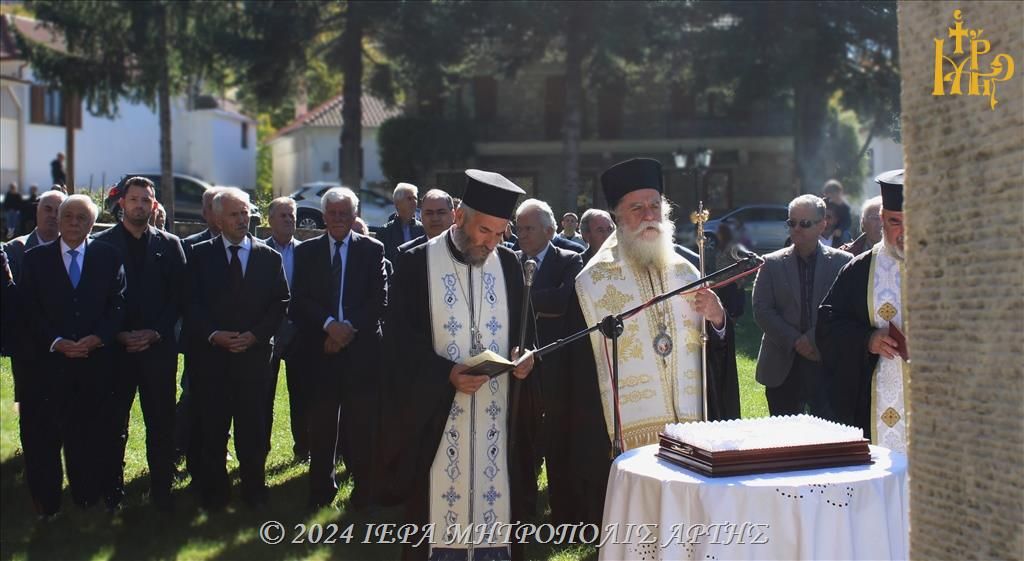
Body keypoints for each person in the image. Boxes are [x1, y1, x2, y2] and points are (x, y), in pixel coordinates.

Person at [563, 158, 740, 525]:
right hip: (626, 440)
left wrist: (718, 319)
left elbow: (715, 349)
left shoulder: (687, 271)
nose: (649, 216)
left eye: (655, 206)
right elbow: (576, 375)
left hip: (690, 431)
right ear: (617, 216)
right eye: (637, 208)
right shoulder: (590, 284)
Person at [379, 169, 540, 560]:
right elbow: (397, 343)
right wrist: (445, 374)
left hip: (497, 424)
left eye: (502, 233)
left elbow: (527, 335)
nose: (493, 242)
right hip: (435, 421)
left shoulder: (509, 265)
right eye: (485, 230)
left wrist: (526, 359)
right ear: (458, 217)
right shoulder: (416, 263)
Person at [18, 194, 125, 517]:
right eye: (68, 217)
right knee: (45, 438)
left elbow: (117, 303)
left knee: (88, 434)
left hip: (95, 364)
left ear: (92, 224)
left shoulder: (108, 256)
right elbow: (28, 309)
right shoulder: (35, 259)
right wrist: (56, 341)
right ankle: (47, 504)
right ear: (59, 221)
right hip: (49, 365)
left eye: (82, 218)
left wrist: (98, 338)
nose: (74, 223)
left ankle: (86, 496)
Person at [185, 188, 289, 510]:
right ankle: (215, 495)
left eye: (246, 213)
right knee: (213, 429)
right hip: (212, 360)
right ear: (217, 218)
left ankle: (254, 492)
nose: (242, 219)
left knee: (252, 430)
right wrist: (214, 334)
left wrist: (256, 336)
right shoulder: (199, 255)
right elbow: (190, 305)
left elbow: (280, 303)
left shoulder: (268, 257)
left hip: (253, 360)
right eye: (234, 214)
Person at [290, 187, 387, 510]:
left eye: (344, 213)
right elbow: (300, 300)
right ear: (324, 215)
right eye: (332, 213)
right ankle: (321, 490)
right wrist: (329, 325)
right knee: (321, 426)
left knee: (362, 427)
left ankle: (364, 490)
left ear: (354, 215)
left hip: (362, 352)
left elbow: (378, 300)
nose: (338, 219)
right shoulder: (306, 253)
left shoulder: (373, 250)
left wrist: (347, 329)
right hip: (321, 352)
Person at [93, 176, 186, 511]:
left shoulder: (170, 244)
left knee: (160, 424)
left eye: (147, 200)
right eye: (134, 199)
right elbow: (96, 300)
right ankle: (112, 492)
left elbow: (179, 297)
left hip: (157, 350)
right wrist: (117, 333)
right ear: (122, 203)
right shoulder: (101, 245)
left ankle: (161, 491)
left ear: (154, 205)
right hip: (116, 351)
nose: (140, 206)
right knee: (113, 423)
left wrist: (156, 332)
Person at [818, 169, 909, 453]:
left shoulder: (953, 269)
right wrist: (867, 339)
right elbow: (827, 326)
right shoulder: (860, 271)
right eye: (895, 222)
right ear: (881, 220)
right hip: (875, 404)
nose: (905, 232)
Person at [514, 198, 583, 525]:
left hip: (557, 364)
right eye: (518, 227)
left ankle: (563, 513)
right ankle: (522, 510)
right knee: (522, 438)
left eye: (528, 228)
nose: (521, 234)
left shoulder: (570, 260)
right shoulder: (509, 261)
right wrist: (540, 305)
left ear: (550, 230)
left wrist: (525, 303)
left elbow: (564, 301)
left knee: (557, 439)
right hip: (517, 364)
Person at [752, 195, 852, 417]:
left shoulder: (842, 263)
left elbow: (844, 310)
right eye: (791, 222)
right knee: (786, 443)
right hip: (782, 365)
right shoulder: (770, 263)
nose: (796, 228)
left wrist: (813, 338)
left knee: (828, 438)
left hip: (825, 362)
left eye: (804, 223)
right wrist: (796, 341)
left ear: (822, 224)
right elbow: (762, 309)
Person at [175, 186, 225, 480]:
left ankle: (219, 447)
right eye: (211, 207)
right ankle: (183, 446)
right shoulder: (190, 247)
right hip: (200, 340)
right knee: (192, 395)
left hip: (235, 341)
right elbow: (186, 297)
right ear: (205, 213)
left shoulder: (248, 245)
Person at [261, 197, 307, 461]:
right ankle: (261, 447)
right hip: (268, 331)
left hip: (300, 333)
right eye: (283, 216)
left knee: (300, 394)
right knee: (263, 394)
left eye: (292, 216)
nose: (289, 220)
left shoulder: (306, 252)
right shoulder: (260, 251)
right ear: (270, 220)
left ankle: (303, 448)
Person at [378, 182, 424, 262]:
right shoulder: (385, 232)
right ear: (397, 203)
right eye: (409, 198)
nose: (414, 202)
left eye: (415, 198)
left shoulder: (422, 229)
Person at [398, 189, 454, 253]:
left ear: (453, 215)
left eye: (441, 212)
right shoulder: (406, 253)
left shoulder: (465, 249)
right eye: (429, 213)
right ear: (421, 216)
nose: (435, 218)